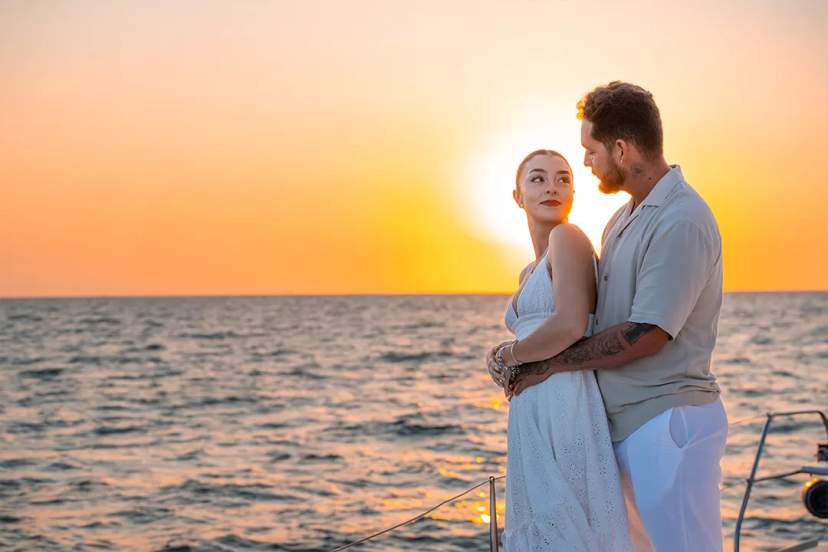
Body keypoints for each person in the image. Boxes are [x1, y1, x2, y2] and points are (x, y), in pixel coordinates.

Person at [489, 81, 728, 552]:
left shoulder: (680, 218)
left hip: (666, 420)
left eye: (590, 150)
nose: (584, 163)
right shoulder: (622, 219)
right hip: (622, 426)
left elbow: (646, 334)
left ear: (620, 148)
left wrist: (543, 362)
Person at [487, 148, 632, 551]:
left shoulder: (567, 238)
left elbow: (569, 324)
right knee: (540, 520)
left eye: (563, 178)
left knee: (567, 521)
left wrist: (508, 356)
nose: (552, 185)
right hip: (532, 411)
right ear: (518, 196)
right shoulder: (528, 270)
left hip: (564, 400)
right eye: (537, 178)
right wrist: (507, 354)